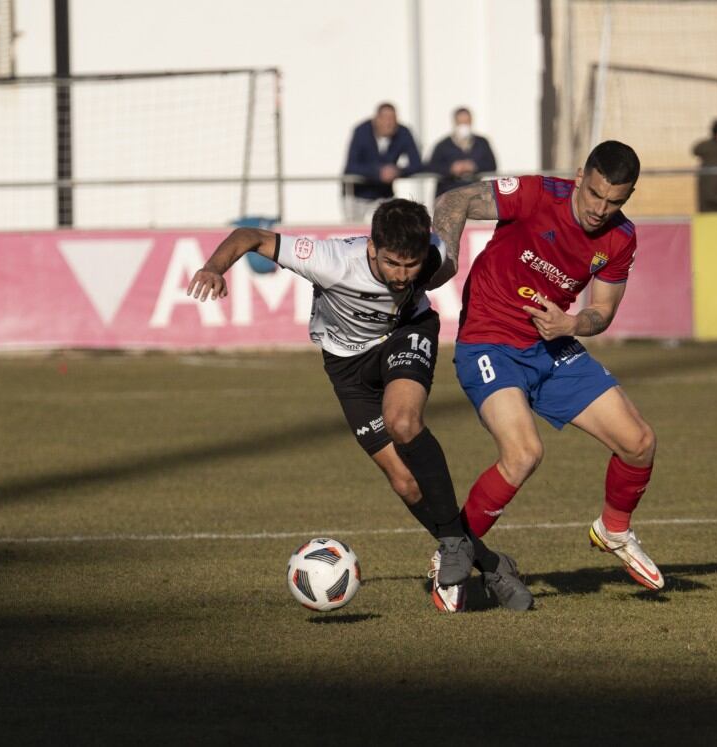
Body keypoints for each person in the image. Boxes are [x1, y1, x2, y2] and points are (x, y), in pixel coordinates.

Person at [186, 199, 532, 613]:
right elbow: (251, 236)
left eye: (411, 265)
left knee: (403, 421)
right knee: (405, 481)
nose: (403, 276)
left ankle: (454, 543)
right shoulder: (330, 260)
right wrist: (213, 268)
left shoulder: (433, 260)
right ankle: (490, 564)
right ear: (372, 248)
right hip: (347, 367)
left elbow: (444, 256)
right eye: (392, 264)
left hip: (405, 334)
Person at [432, 140, 665, 597]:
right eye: (595, 194)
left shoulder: (621, 238)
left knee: (639, 443)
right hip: (490, 339)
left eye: (615, 201)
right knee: (523, 454)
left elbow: (602, 310)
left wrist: (572, 323)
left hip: (552, 342)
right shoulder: (538, 195)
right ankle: (452, 552)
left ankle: (613, 529)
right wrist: (446, 259)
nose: (601, 209)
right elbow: (453, 199)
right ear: (581, 175)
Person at [342, 103, 423, 223]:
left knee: (389, 232)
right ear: (376, 119)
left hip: (384, 195)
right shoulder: (361, 132)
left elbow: (417, 164)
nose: (389, 124)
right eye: (385, 119)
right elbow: (351, 167)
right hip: (358, 194)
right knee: (354, 236)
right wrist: (377, 172)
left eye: (392, 119)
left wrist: (397, 171)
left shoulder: (403, 132)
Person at [427, 107, 498, 198]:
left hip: (475, 194)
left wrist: (474, 166)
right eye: (460, 123)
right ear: (455, 123)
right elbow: (431, 167)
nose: (464, 126)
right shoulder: (443, 145)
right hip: (449, 194)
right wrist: (451, 169)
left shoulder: (482, 142)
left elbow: (492, 165)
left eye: (467, 122)